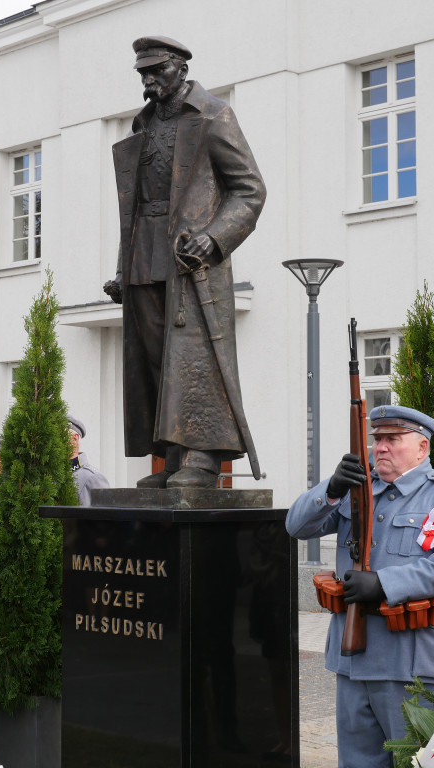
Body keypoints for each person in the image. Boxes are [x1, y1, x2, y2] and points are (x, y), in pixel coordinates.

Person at [104, 36, 266, 490]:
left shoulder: (213, 115)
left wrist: (214, 238)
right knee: (157, 361)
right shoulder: (145, 125)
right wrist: (123, 270)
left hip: (192, 262)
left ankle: (204, 458)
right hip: (143, 255)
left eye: (156, 70)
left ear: (179, 67)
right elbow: (133, 208)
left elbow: (250, 189)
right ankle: (174, 458)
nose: (149, 79)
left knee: (195, 359)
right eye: (142, 72)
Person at [286, 405, 434, 768]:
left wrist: (383, 583)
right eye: (377, 439)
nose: (381, 448)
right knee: (358, 762)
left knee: (416, 760)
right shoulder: (356, 490)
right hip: (353, 658)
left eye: (393, 439)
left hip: (413, 661)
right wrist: (330, 489)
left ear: (421, 448)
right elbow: (296, 527)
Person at [67, 415, 109, 505]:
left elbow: (103, 517)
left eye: (59, 436)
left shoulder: (92, 478)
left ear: (74, 439)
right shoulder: (49, 474)